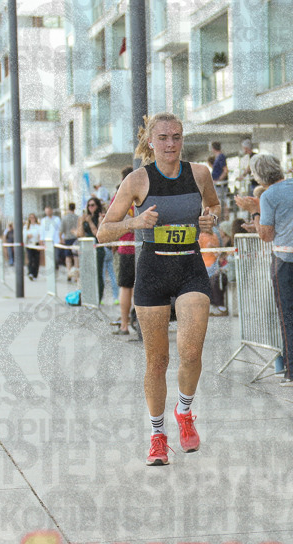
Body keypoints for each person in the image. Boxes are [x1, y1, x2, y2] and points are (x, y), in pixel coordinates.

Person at [96, 112, 220, 466]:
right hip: (152, 270)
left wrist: (210, 217)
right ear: (150, 141)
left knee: (191, 351)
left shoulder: (199, 173)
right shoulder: (137, 180)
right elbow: (103, 231)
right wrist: (136, 221)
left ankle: (185, 411)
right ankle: (157, 435)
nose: (170, 144)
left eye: (176, 137)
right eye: (163, 137)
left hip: (190, 267)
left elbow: (214, 204)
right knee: (157, 360)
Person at [235, 153, 293, 387]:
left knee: (289, 317)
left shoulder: (268, 196)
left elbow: (266, 235)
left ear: (259, 175)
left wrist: (255, 211)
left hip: (285, 260)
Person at [115, 166, 136, 335]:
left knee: (126, 286)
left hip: (127, 248)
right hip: (146, 246)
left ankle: (124, 325)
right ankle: (143, 324)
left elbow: (112, 221)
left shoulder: (120, 196)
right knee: (143, 287)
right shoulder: (146, 191)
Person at [60, 202, 80, 278]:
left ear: (68, 208)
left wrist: (61, 239)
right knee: (76, 257)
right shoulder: (77, 217)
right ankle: (76, 274)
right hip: (76, 238)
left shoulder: (65, 218)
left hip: (68, 238)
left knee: (68, 257)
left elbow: (61, 230)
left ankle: (69, 273)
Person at [41, 205, 62, 272]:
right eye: (46, 211)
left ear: (52, 211)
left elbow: (60, 229)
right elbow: (42, 231)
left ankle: (56, 269)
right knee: (49, 257)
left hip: (56, 241)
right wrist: (42, 240)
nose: (48, 212)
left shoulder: (57, 219)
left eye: (49, 211)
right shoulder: (43, 220)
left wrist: (61, 238)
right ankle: (51, 271)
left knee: (56, 257)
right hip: (47, 242)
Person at [210, 141, 229, 212]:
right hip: (217, 184)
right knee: (220, 202)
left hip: (220, 185)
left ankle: (224, 216)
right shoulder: (218, 157)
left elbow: (225, 170)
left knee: (221, 202)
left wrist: (219, 180)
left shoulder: (221, 157)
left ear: (213, 148)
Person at [24, 213, 43, 281]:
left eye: (33, 218)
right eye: (30, 218)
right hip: (29, 244)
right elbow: (24, 234)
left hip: (36, 244)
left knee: (36, 260)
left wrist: (40, 244)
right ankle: (30, 272)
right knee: (30, 259)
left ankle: (35, 274)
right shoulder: (26, 227)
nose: (32, 219)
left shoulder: (38, 226)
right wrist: (27, 236)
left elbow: (40, 235)